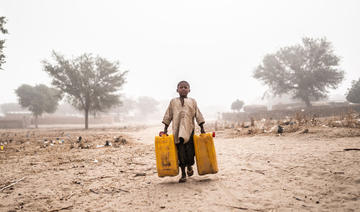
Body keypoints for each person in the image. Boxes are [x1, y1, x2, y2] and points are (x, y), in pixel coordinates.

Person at [161, 80, 206, 183]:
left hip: (189, 130)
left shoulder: (193, 101)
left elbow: (198, 114)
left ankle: (189, 166)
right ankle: (183, 174)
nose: (183, 89)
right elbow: (168, 115)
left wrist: (202, 128)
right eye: (181, 87)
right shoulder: (173, 102)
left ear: (189, 90)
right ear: (177, 90)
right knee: (180, 152)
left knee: (190, 152)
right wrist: (165, 129)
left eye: (186, 87)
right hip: (177, 131)